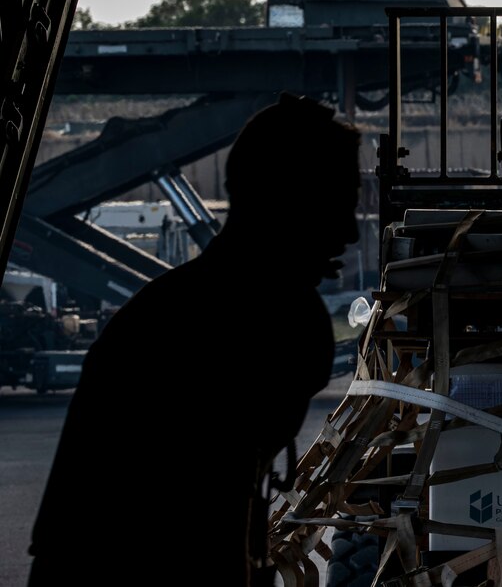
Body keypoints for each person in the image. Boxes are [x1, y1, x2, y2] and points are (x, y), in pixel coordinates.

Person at [28, 93, 362, 586]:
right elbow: (208, 524)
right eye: (338, 204)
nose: (351, 233)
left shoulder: (180, 311)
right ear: (288, 203)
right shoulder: (253, 324)